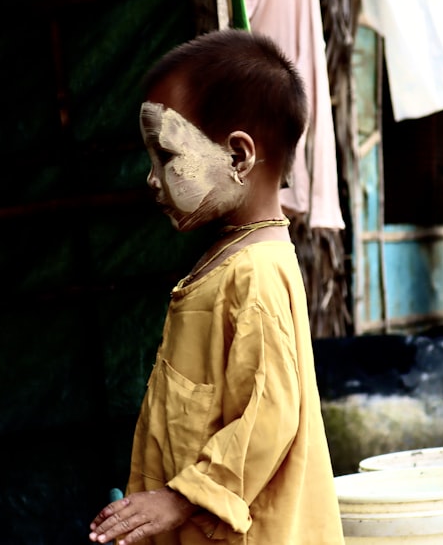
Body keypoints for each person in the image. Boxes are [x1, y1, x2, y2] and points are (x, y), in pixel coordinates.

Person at [88, 29, 345, 545]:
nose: (152, 178)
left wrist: (181, 498)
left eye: (166, 156)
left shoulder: (254, 273)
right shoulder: (229, 260)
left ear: (239, 156)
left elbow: (269, 416)